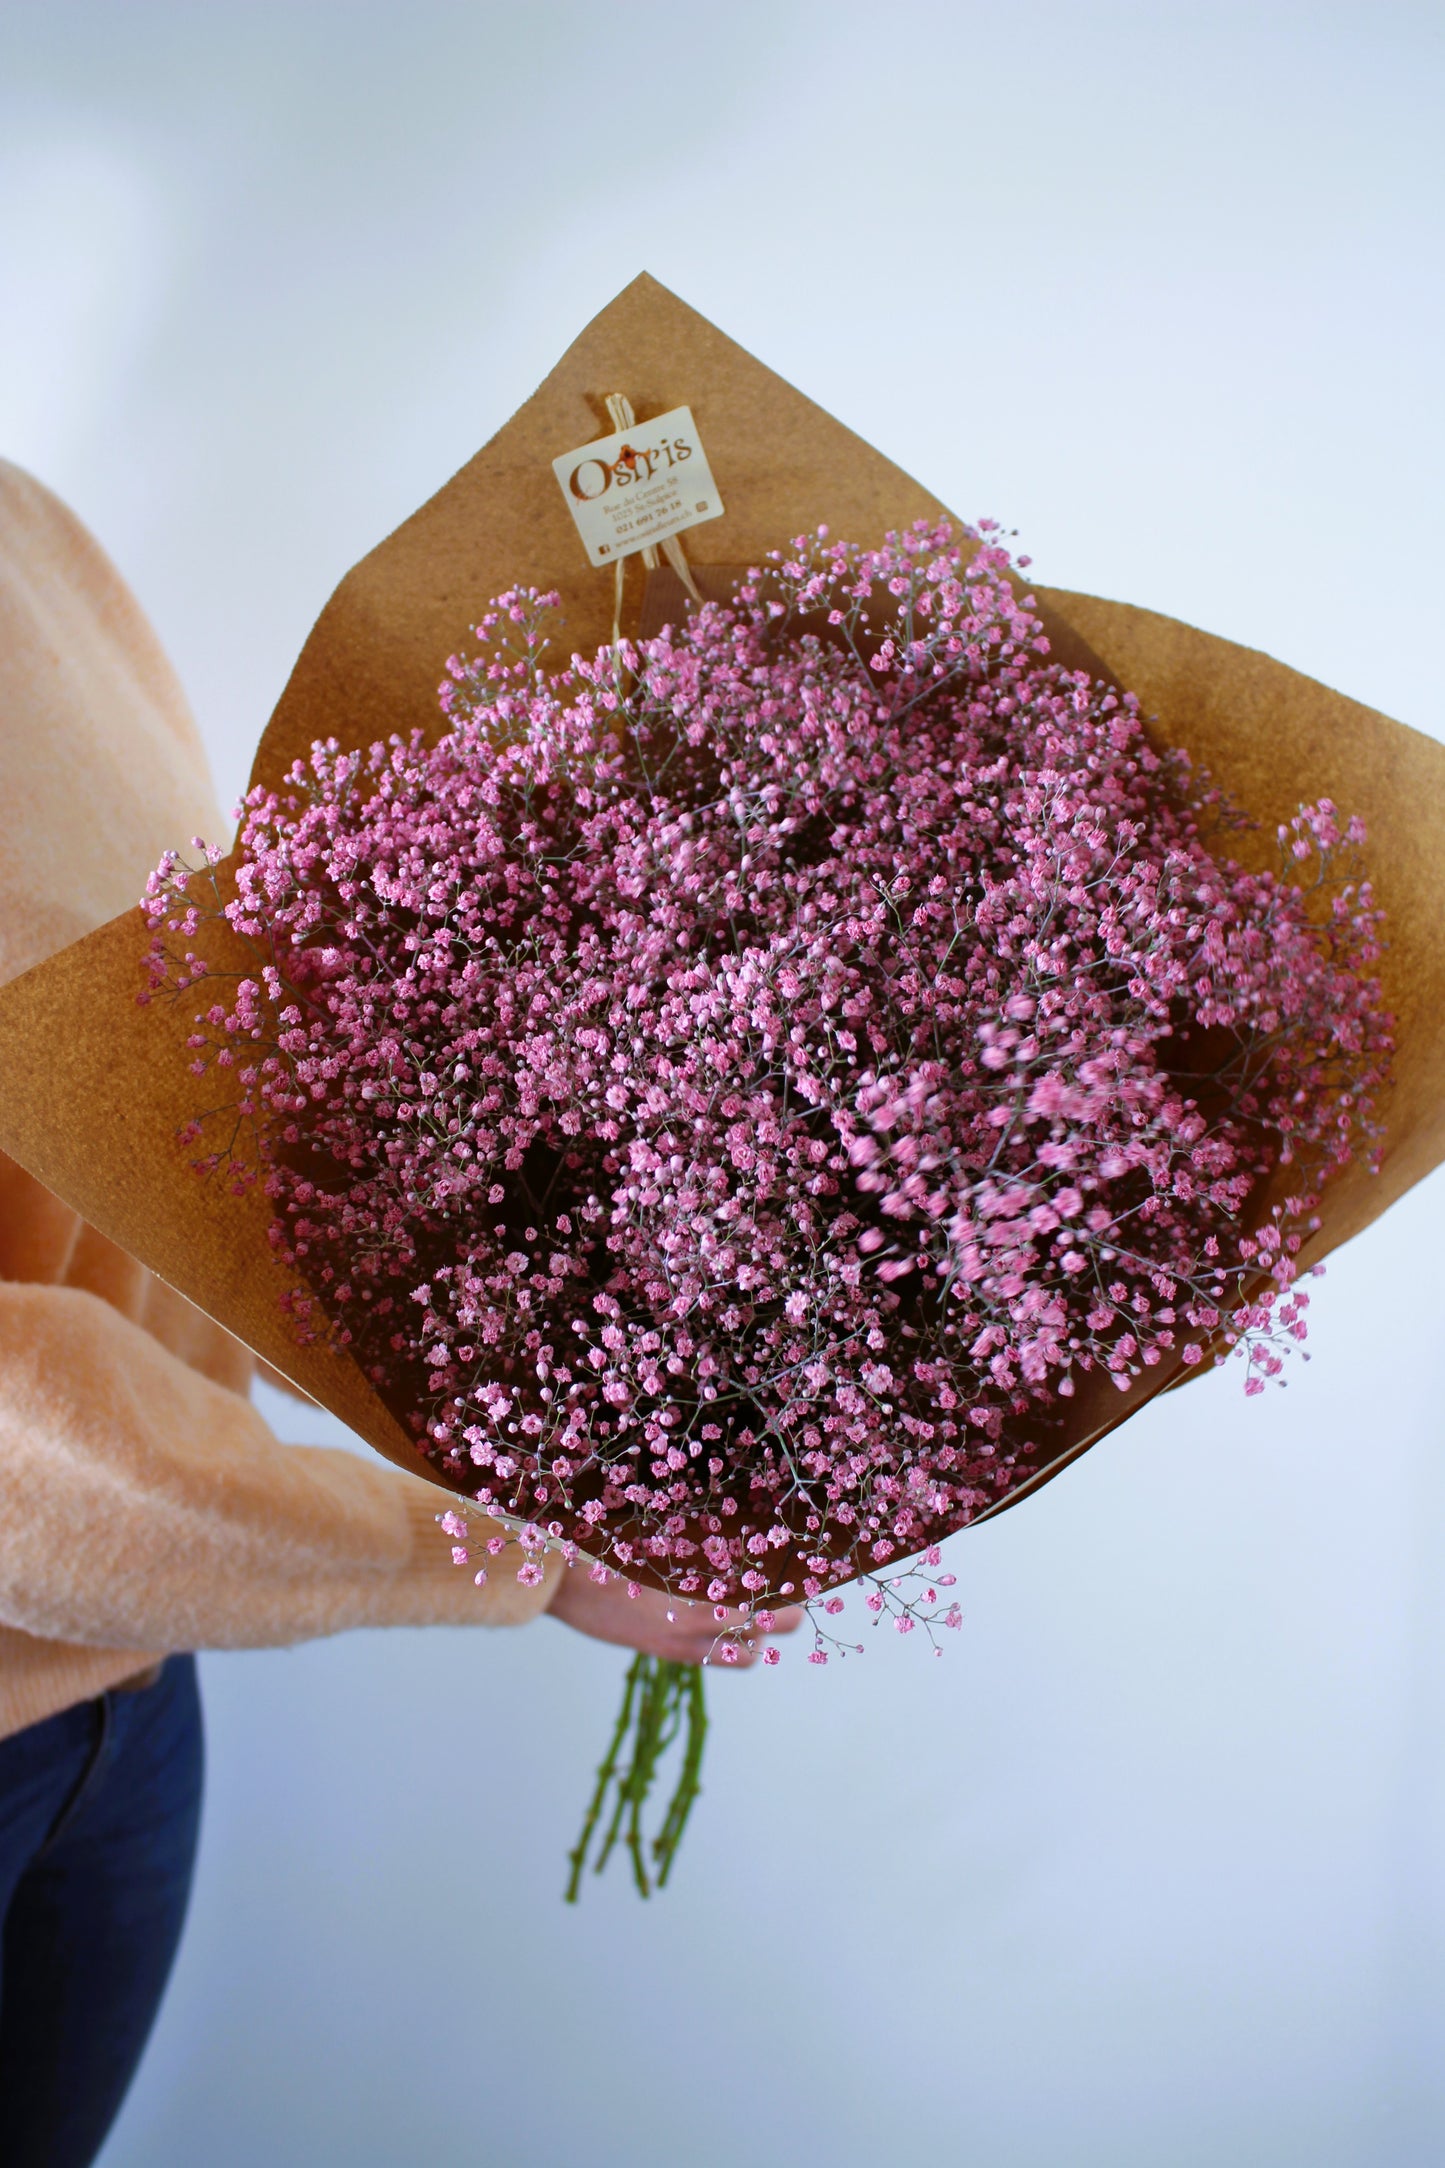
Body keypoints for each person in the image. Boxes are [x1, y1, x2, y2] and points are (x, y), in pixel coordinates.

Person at [0, 462, 798, 2168]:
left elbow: (180, 1083)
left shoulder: (27, 539)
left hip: (133, 1686)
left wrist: (583, 1325)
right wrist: (525, 1560)